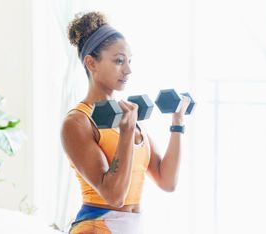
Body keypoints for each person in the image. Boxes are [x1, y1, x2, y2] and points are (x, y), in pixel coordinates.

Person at [61, 11, 191, 234]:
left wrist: (177, 123)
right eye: (119, 61)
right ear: (91, 63)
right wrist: (127, 133)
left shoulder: (129, 115)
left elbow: (167, 181)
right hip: (95, 227)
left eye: (129, 61)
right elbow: (114, 196)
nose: (128, 69)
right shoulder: (77, 122)